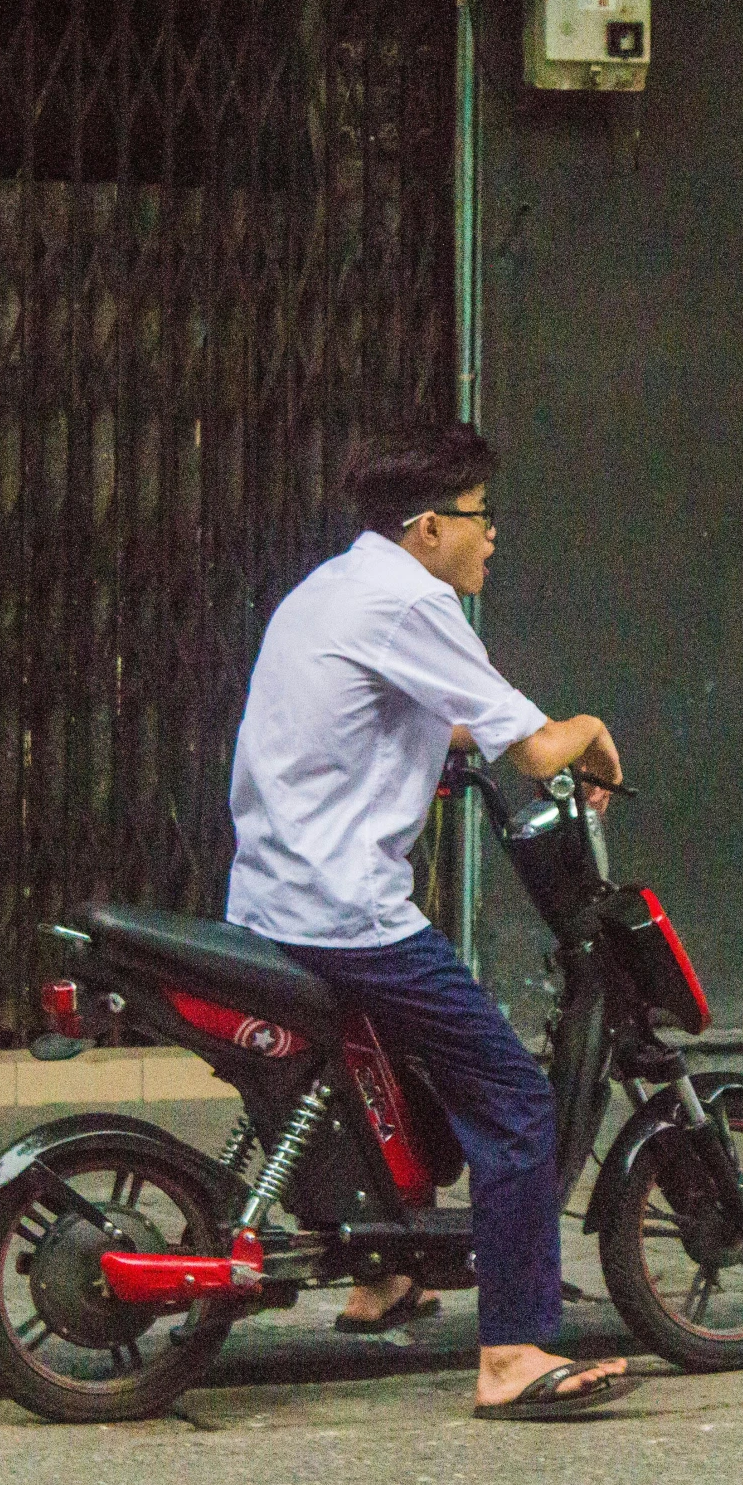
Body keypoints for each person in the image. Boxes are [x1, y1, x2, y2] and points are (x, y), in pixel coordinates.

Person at [223, 421, 637, 1421]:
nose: (492, 537)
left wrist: (451, 746)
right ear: (426, 529)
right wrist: (589, 735)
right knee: (510, 1098)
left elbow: (408, 710)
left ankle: (383, 1277)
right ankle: (512, 1354)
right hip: (345, 911)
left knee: (381, 1083)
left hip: (274, 894)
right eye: (479, 518)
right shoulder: (414, 600)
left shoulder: (336, 586)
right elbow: (537, 751)